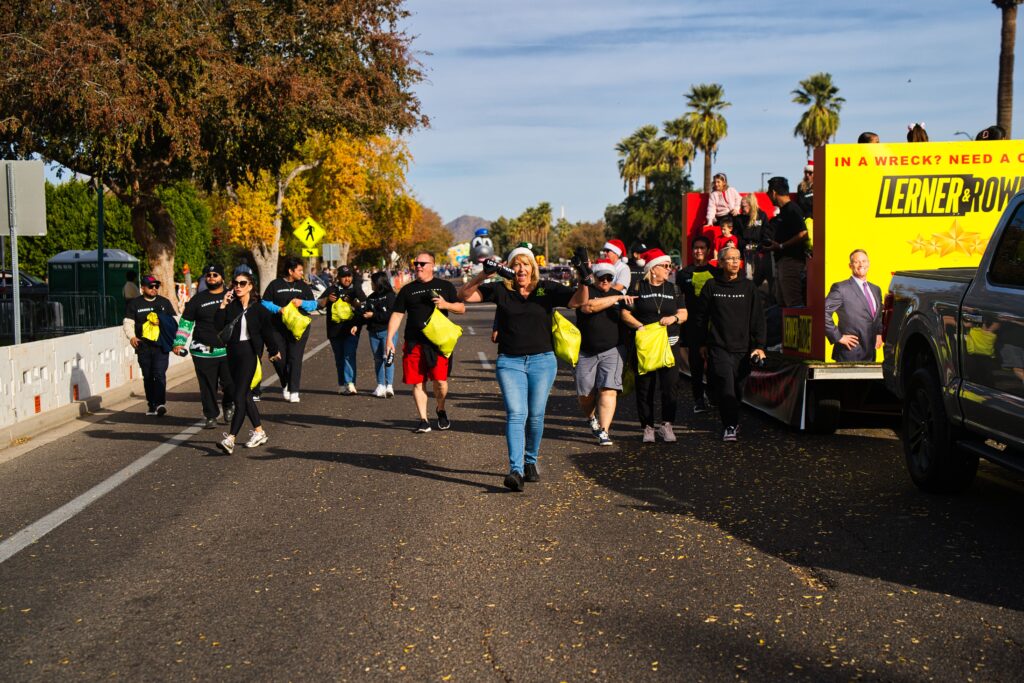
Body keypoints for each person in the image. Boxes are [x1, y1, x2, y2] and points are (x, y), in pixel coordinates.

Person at [459, 246, 589, 490]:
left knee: (536, 415)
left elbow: (579, 301)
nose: (521, 269)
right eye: (516, 264)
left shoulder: (546, 288)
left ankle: (531, 460)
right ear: (509, 268)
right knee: (517, 414)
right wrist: (483, 275)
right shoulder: (500, 289)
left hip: (543, 361)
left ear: (533, 267)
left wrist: (583, 276)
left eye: (526, 264)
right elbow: (464, 296)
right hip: (510, 362)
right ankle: (515, 470)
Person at [385, 252, 465, 433]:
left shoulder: (444, 286)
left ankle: (441, 408)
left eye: (422, 263)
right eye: (416, 263)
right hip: (414, 342)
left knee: (440, 382)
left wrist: (447, 305)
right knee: (417, 382)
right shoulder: (407, 290)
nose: (418, 266)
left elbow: (461, 308)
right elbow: (397, 315)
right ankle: (423, 419)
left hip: (438, 343)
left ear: (432, 265)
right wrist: (390, 339)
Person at [695, 247, 766, 442]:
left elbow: (758, 318)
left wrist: (759, 345)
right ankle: (729, 426)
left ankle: (733, 419)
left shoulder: (749, 287)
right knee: (725, 386)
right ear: (720, 262)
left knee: (737, 389)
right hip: (719, 347)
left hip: (743, 349)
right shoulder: (711, 286)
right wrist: (701, 343)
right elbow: (701, 317)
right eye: (730, 259)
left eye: (737, 258)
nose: (735, 262)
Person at [620, 248, 687, 443]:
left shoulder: (674, 288)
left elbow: (684, 314)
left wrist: (674, 317)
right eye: (665, 266)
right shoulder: (638, 288)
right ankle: (647, 427)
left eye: (669, 266)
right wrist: (638, 325)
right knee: (645, 387)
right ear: (653, 268)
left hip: (669, 343)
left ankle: (667, 425)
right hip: (646, 344)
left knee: (670, 386)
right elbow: (625, 313)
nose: (669, 269)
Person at [214, 273, 282, 454]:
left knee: (239, 395)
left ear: (250, 286)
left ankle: (230, 438)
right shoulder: (231, 307)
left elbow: (268, 332)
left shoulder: (259, 309)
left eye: (242, 283)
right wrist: (222, 305)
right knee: (244, 396)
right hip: (232, 353)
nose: (238, 286)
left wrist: (274, 351)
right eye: (235, 283)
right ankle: (259, 431)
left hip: (249, 354)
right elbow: (218, 326)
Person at [569, 258, 631, 446]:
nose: (605, 280)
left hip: (613, 349)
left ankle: (604, 431)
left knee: (608, 390)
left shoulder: (618, 295)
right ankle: (591, 417)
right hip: (586, 352)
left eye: (609, 277)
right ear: (594, 276)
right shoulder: (586, 292)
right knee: (585, 395)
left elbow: (627, 315)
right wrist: (615, 299)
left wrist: (641, 325)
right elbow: (588, 307)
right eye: (601, 277)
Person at [173, 264, 235, 428]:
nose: (212, 278)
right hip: (202, 351)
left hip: (229, 351)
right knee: (207, 386)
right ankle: (211, 415)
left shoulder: (232, 296)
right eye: (209, 275)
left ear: (222, 277)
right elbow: (186, 322)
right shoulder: (197, 300)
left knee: (230, 383)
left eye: (215, 274)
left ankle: (229, 404)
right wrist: (179, 343)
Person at [262, 257, 317, 403]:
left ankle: (294, 390)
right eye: (299, 270)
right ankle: (285, 382)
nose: (301, 273)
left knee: (295, 359)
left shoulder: (303, 286)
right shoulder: (275, 285)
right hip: (277, 328)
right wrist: (278, 309)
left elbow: (313, 305)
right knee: (279, 359)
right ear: (290, 271)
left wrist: (302, 302)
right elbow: (265, 302)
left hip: (298, 329)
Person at [676, 236, 719, 414]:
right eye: (696, 248)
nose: (698, 251)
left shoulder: (716, 272)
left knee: (715, 364)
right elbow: (678, 300)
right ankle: (698, 399)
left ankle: (712, 395)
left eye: (702, 248)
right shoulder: (683, 274)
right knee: (696, 365)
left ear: (708, 250)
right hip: (693, 325)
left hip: (713, 325)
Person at [123, 275, 175, 416]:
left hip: (161, 345)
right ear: (143, 288)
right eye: (150, 286)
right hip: (143, 346)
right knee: (148, 376)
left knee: (159, 374)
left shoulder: (164, 303)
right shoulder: (135, 304)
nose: (154, 289)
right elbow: (128, 322)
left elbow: (175, 321)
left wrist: (163, 322)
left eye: (156, 286)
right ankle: (151, 404)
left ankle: (160, 404)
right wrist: (132, 337)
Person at [824, 249, 883, 362]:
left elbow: (878, 315)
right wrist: (838, 337)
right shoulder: (841, 288)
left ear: (869, 263)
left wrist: (879, 332)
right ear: (850, 266)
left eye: (864, 261)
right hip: (849, 354)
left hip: (870, 353)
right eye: (856, 262)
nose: (861, 264)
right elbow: (823, 312)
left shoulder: (876, 289)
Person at [319, 265, 367, 395]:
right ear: (338, 278)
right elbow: (319, 304)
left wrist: (353, 302)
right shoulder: (331, 289)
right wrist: (327, 299)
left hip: (351, 329)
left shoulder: (356, 290)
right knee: (339, 358)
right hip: (334, 330)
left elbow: (365, 306)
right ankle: (341, 384)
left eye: (349, 276)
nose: (347, 279)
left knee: (349, 355)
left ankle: (350, 383)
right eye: (344, 276)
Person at [765, 176, 808, 308]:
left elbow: (803, 233)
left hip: (791, 262)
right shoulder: (785, 211)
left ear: (773, 192)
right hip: (784, 262)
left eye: (768, 192)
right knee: (782, 303)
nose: (767, 195)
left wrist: (782, 246)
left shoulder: (792, 209)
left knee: (793, 302)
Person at [363, 271, 399, 398]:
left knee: (388, 358)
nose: (371, 284)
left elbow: (391, 315)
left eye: (372, 282)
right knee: (377, 359)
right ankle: (380, 385)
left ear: (378, 282)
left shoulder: (390, 296)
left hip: (388, 331)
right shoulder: (371, 297)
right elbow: (365, 312)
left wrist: (374, 315)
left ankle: (389, 386)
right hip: (373, 332)